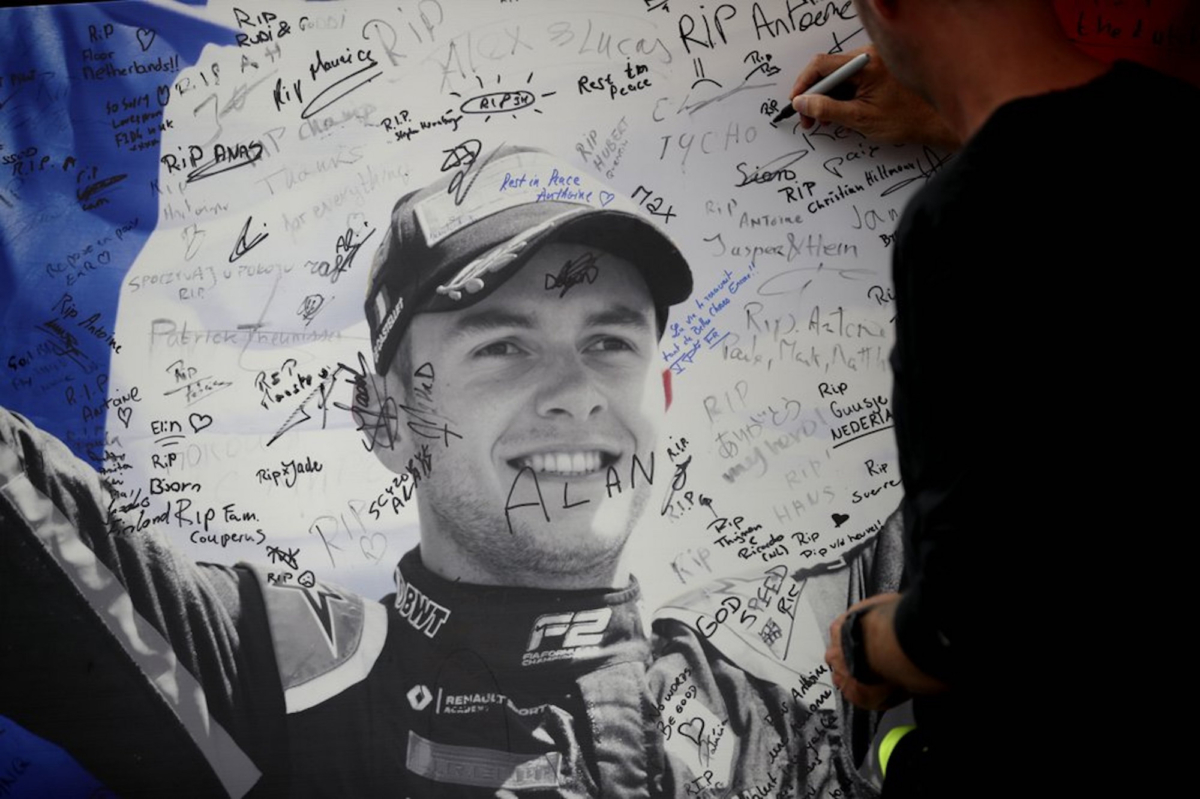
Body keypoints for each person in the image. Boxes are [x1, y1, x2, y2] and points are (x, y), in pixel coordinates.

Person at [1, 145, 903, 798]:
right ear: (384, 419)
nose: (576, 394)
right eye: (503, 345)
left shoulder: (789, 697)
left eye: (609, 342)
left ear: (662, 395)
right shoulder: (282, 681)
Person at [786, 1, 1200, 796]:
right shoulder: (1182, 119)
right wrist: (956, 117)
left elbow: (967, 618)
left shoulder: (963, 224)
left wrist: (870, 641)